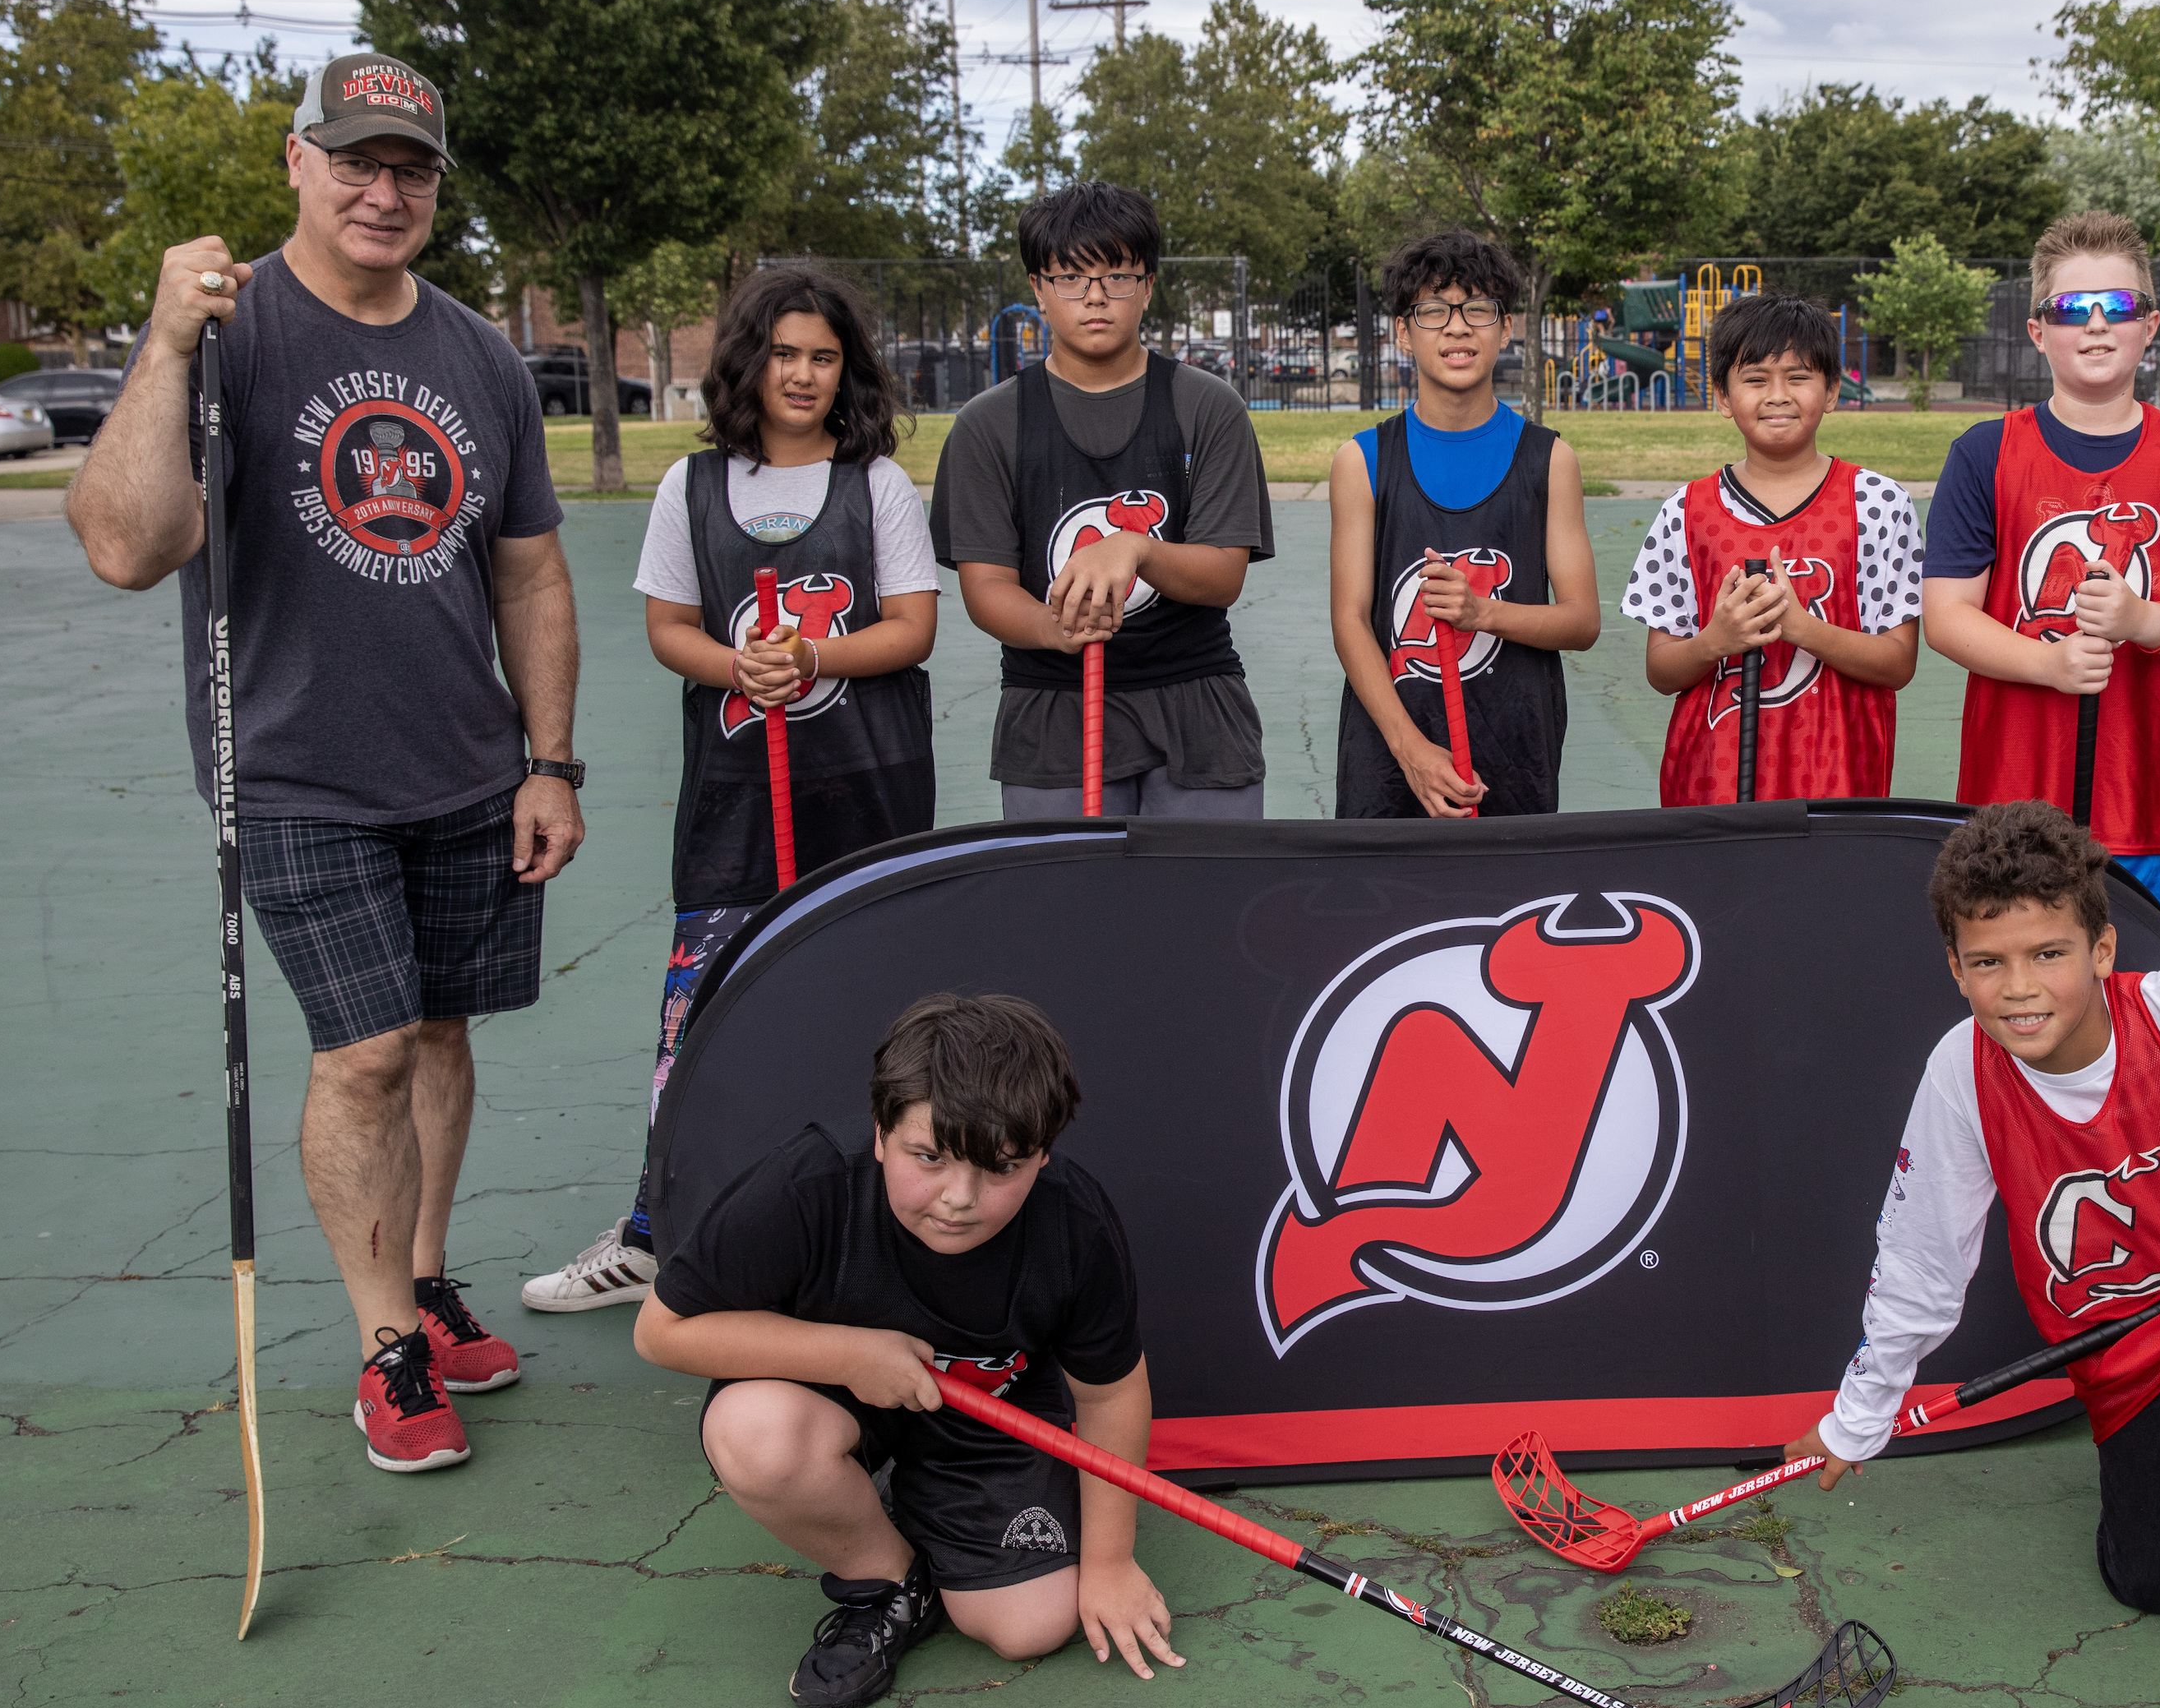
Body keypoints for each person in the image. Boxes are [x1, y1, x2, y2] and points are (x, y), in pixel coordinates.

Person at [67, 52, 583, 1474]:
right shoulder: (230, 333)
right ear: (297, 162)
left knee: (435, 1034)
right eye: (355, 159)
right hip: (293, 771)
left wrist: (552, 758)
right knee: (359, 1051)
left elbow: (530, 575)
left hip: (469, 771)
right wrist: (165, 348)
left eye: (410, 169)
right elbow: (126, 544)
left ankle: (422, 1277)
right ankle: (384, 1348)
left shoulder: (478, 354)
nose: (382, 190)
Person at [1780, 804, 2160, 1691]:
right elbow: (1923, 1255)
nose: (2021, 987)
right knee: (2152, 1582)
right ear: (1955, 969)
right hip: (2126, 1345)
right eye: (1989, 963)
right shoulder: (1960, 1072)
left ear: (2102, 951)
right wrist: (1860, 1413)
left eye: (2049, 954)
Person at [524, 266, 938, 1316]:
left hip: (866, 795)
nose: (801, 375)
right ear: (746, 361)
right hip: (738, 802)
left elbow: (913, 626)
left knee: (875, 1005)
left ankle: (877, 1232)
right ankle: (662, 1227)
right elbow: (671, 629)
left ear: (849, 370)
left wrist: (812, 659)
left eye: (823, 356)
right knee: (700, 1012)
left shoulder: (874, 485)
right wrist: (737, 666)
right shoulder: (693, 488)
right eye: (783, 352)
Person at [635, 992, 1181, 1708]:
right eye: (929, 1157)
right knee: (754, 1433)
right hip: (833, 1395)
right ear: (881, 1132)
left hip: (990, 1416)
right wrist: (852, 1357)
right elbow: (661, 1332)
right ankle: (892, 1582)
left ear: (1043, 1155)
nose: (960, 1198)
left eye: (1002, 1168)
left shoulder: (1073, 1225)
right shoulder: (806, 1185)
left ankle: (928, 1508)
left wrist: (1110, 1563)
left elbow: (1110, 1395)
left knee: (1031, 1626)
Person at [1923, 210, 2160, 949]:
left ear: (2150, 325)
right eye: (2075, 309)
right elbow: (1947, 616)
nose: (2099, 325)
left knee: (2158, 1007)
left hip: (2151, 802)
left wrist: (2145, 622)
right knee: (2021, 998)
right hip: (2013, 802)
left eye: (2121, 306)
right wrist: (2049, 661)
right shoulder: (1985, 454)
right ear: (2039, 330)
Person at [932, 182, 1275, 819]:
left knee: (1206, 912)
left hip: (1195, 699)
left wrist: (1136, 547)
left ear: (1148, 286)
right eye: (1070, 277)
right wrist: (1053, 628)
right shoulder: (989, 423)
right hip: (1054, 706)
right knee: (1068, 914)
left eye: (1117, 275)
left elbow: (1222, 574)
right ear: (1037, 288)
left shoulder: (1207, 406)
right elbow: (986, 587)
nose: (1095, 297)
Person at [1326, 230, 1598, 818]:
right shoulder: (1363, 461)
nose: (1456, 327)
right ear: (1403, 332)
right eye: (1432, 311)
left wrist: (1483, 614)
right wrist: (1412, 751)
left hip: (1513, 748)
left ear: (1505, 328)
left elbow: (1581, 621)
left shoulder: (1548, 460)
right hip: (1394, 756)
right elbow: (1350, 621)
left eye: (1478, 309)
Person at [1622, 293, 1922, 803]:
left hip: (1837, 786)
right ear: (1721, 396)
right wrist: (1716, 639)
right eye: (1756, 379)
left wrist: (1803, 628)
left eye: (1799, 377)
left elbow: (1897, 663)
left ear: (1831, 390)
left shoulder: (1877, 502)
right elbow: (1661, 670)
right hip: (1711, 787)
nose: (1778, 395)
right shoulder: (1687, 511)